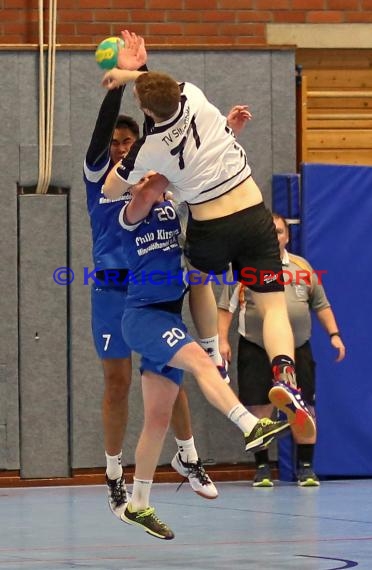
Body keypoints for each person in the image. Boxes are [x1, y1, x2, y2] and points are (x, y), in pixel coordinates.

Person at [101, 34, 316, 442]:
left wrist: (118, 79)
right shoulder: (195, 95)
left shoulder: (147, 149)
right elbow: (160, 90)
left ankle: (213, 353)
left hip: (210, 224)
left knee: (199, 278)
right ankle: (286, 373)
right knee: (271, 307)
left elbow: (112, 188)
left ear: (145, 111)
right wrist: (131, 70)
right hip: (252, 213)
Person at [84, 31, 218, 519]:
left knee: (170, 373)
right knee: (117, 383)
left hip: (154, 291)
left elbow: (155, 121)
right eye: (116, 143)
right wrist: (119, 80)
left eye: (128, 142)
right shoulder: (98, 175)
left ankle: (189, 457)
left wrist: (141, 71)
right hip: (110, 292)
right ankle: (114, 475)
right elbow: (104, 131)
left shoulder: (149, 173)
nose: (121, 148)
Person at [115, 178, 290, 540]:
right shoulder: (130, 213)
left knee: (158, 420)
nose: (150, 183)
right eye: (142, 180)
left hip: (169, 316)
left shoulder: (176, 211)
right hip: (144, 317)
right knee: (199, 362)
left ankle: (138, 504)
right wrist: (159, 165)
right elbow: (148, 190)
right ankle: (250, 425)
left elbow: (201, 180)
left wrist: (229, 134)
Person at [218, 213, 346, 487]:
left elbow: (321, 305)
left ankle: (306, 469)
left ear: (287, 236)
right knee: (258, 409)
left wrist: (334, 335)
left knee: (303, 407)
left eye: (278, 232)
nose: (274, 236)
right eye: (269, 232)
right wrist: (222, 341)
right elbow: (225, 308)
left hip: (298, 348)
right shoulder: (243, 268)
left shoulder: (303, 267)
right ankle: (263, 469)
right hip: (255, 346)